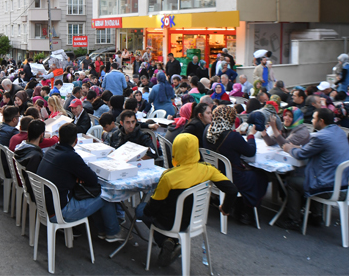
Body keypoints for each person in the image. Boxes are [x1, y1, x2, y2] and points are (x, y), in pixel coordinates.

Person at [135, 133, 237, 267]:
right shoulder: (208, 169)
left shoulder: (169, 176)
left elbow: (151, 209)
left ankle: (167, 240)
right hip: (194, 221)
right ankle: (170, 241)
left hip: (168, 223)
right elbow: (232, 190)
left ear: (176, 150)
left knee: (140, 210)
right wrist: (225, 208)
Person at [36, 123, 127, 242]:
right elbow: (93, 180)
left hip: (44, 205)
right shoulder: (71, 156)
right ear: (76, 140)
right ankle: (113, 232)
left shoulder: (51, 150)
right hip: (61, 211)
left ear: (58, 138)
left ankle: (101, 230)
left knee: (94, 192)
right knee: (106, 194)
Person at [275, 109, 349, 231]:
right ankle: (316, 216)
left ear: (321, 121)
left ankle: (293, 220)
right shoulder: (339, 132)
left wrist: (289, 148)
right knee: (311, 175)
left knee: (292, 181)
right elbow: (311, 149)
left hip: (328, 188)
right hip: (343, 185)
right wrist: (299, 147)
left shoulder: (320, 137)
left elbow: (301, 155)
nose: (312, 121)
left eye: (314, 118)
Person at [203, 106, 269, 224]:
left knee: (252, 173)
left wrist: (236, 132)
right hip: (232, 177)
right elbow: (250, 152)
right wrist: (251, 135)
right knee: (261, 176)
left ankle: (239, 206)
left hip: (215, 173)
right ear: (230, 119)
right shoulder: (233, 137)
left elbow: (224, 138)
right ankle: (247, 211)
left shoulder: (207, 130)